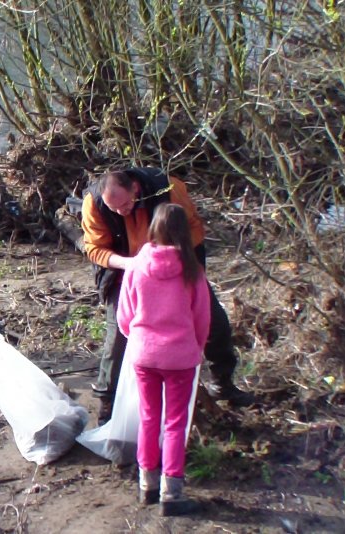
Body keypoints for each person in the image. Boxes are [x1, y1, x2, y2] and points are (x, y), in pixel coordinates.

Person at [80, 167, 254, 423]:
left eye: (125, 205)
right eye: (113, 208)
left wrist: (169, 254)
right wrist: (132, 264)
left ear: (135, 189)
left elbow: (195, 228)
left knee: (215, 321)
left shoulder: (169, 188)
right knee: (117, 333)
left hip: (177, 265)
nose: (120, 212)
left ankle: (222, 383)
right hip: (125, 271)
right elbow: (95, 249)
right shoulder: (93, 203)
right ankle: (108, 399)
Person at [117, 204, 209, 516]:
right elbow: (202, 319)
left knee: (148, 417)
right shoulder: (192, 270)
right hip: (181, 357)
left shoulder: (136, 266)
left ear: (154, 228)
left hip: (144, 355)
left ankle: (147, 485)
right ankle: (172, 492)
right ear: (184, 231)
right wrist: (196, 347)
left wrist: (140, 339)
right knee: (175, 423)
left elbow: (124, 316)